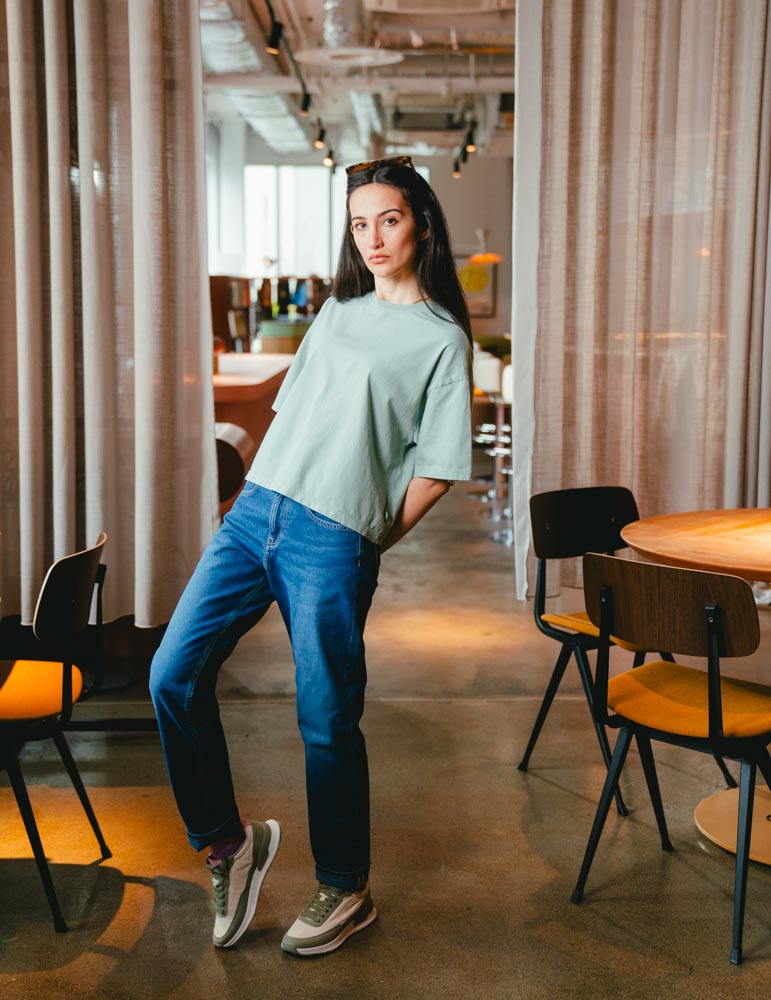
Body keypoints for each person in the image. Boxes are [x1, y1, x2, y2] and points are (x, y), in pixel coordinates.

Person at [149, 155, 473, 957]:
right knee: (171, 675)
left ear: (422, 223)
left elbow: (432, 472)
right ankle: (229, 845)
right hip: (253, 512)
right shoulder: (335, 311)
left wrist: (361, 533)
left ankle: (344, 884)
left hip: (332, 535)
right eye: (359, 223)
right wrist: (247, 503)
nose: (372, 237)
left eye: (388, 219)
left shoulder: (439, 340)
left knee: (326, 720)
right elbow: (292, 419)